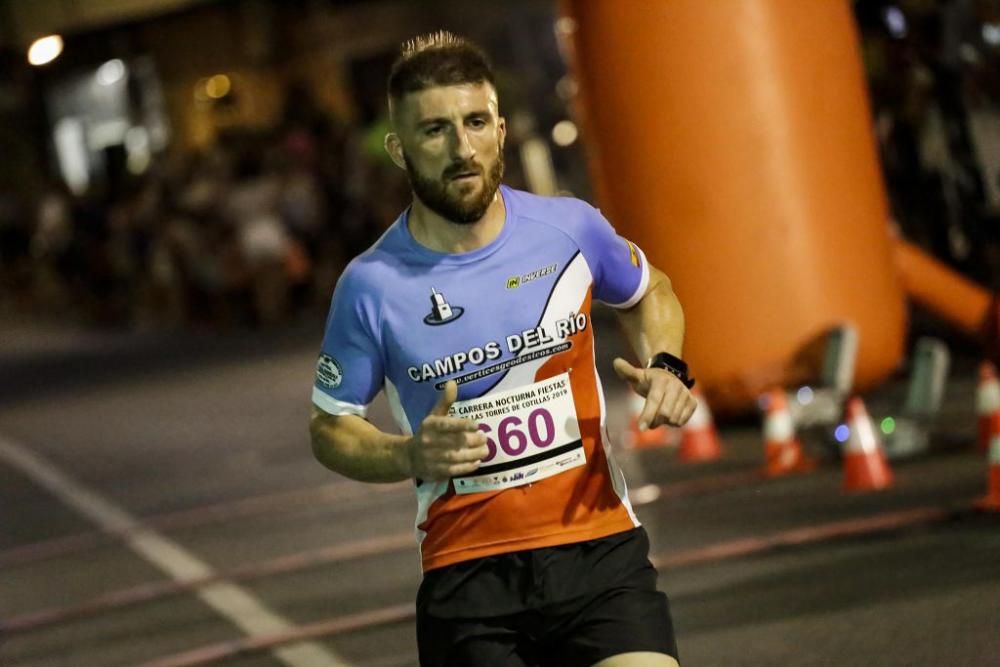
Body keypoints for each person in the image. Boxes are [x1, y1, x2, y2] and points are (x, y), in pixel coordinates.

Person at [310, 31, 696, 667]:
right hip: (469, 581)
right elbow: (330, 427)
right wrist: (408, 453)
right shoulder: (370, 285)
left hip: (598, 550)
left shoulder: (568, 229)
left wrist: (667, 366)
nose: (461, 148)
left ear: (501, 129)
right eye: (434, 131)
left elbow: (650, 289)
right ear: (398, 149)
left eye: (475, 122)